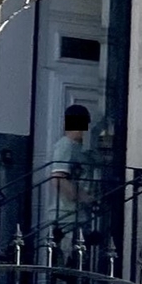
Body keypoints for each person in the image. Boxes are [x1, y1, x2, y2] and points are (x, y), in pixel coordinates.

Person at [47, 103, 93, 241]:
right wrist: (82, 197)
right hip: (66, 215)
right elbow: (58, 178)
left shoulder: (79, 148)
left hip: (78, 213)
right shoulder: (65, 145)